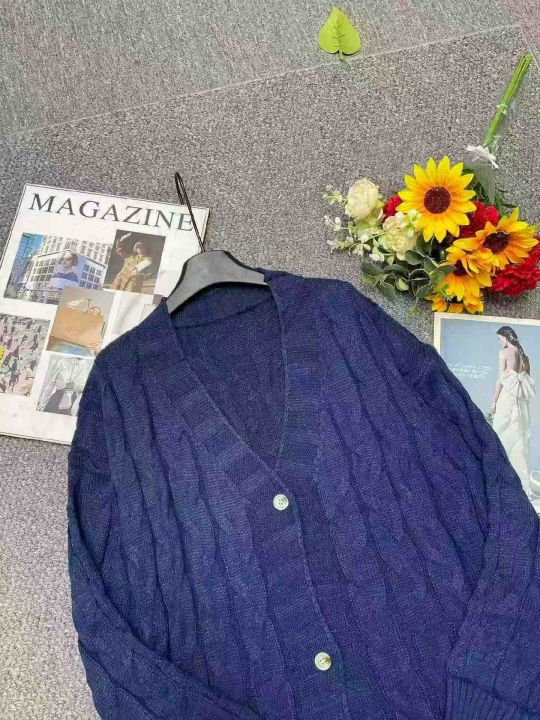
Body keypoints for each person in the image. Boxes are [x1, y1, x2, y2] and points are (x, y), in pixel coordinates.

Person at [490, 325, 536, 495]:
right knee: (519, 440)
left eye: (499, 339)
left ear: (505, 337)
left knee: (501, 434)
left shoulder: (504, 353)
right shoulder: (525, 357)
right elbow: (527, 380)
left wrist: (494, 401)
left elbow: (500, 380)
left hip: (507, 398)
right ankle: (521, 487)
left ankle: (501, 483)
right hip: (520, 400)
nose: (499, 342)